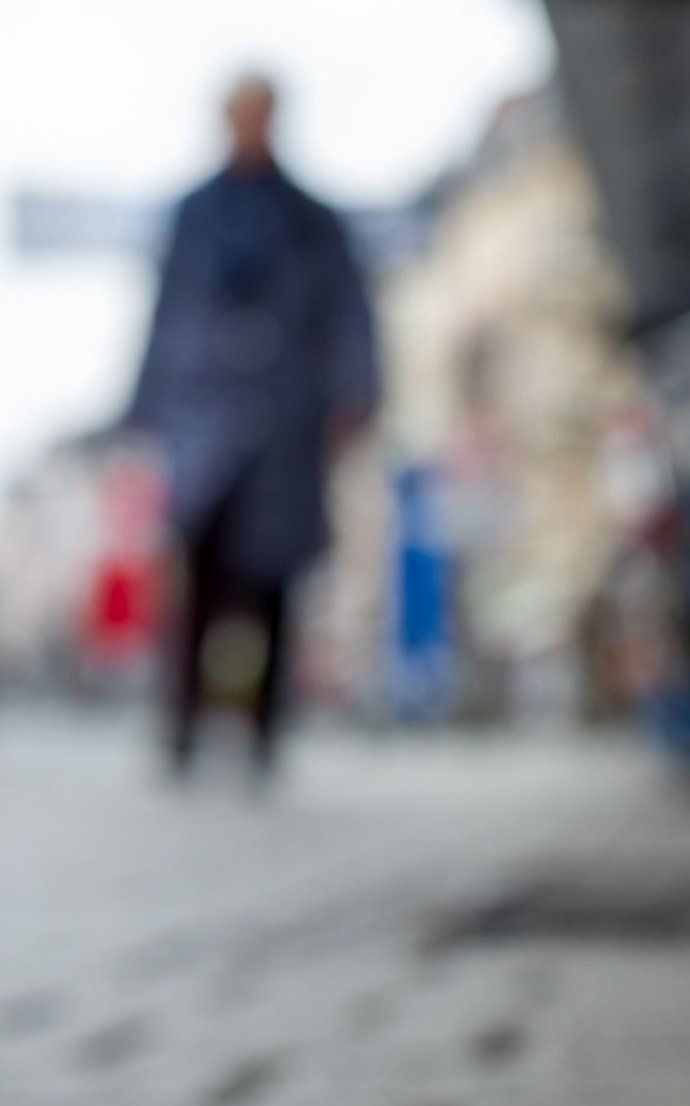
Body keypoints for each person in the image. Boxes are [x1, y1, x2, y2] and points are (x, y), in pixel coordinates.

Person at [128, 73, 378, 776]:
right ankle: (181, 724)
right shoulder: (193, 214)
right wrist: (148, 413)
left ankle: (265, 730)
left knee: (273, 580)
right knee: (199, 570)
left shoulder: (312, 219)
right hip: (205, 414)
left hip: (285, 417)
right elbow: (165, 313)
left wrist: (353, 394)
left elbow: (349, 313)